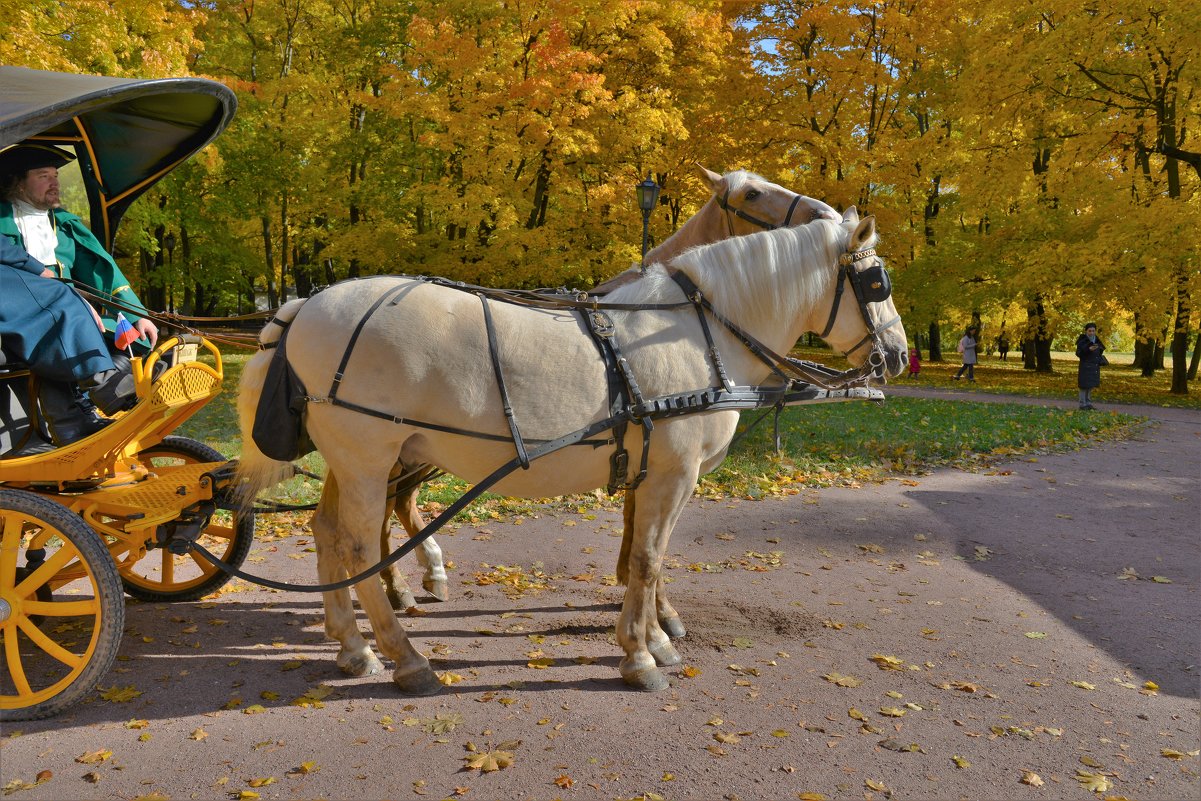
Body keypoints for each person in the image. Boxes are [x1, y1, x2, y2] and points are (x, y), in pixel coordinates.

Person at [0, 142, 158, 349]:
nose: (55, 183)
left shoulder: (65, 225)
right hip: (20, 320)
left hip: (73, 317)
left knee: (137, 341)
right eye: (43, 176)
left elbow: (101, 273)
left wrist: (137, 315)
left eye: (55, 176)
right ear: (19, 183)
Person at [1075, 322, 1106, 410]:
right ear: (1086, 331)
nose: (1091, 333)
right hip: (1085, 366)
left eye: (1093, 331)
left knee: (1090, 385)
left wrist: (1098, 348)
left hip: (1094, 366)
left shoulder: (1096, 340)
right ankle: (1082, 404)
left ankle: (1088, 403)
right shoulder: (1082, 340)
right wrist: (1088, 349)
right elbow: (1078, 353)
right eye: (1089, 331)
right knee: (1083, 386)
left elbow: (1101, 349)